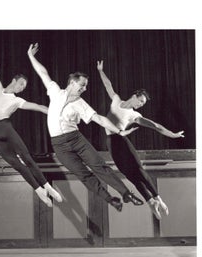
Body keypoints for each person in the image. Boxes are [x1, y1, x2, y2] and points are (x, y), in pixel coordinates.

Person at [27, 43, 145, 212]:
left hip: (76, 139)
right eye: (82, 85)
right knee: (83, 174)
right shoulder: (55, 92)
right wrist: (31, 56)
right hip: (59, 146)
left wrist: (119, 131)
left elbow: (99, 118)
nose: (85, 88)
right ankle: (111, 199)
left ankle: (127, 193)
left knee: (99, 166)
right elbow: (43, 73)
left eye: (85, 86)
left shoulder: (81, 103)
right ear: (72, 83)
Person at [97, 60, 185, 219]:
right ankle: (150, 201)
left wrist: (172, 134)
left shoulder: (134, 115)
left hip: (121, 141)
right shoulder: (116, 100)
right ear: (134, 96)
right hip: (111, 143)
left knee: (139, 170)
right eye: (141, 101)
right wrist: (100, 70)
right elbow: (107, 85)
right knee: (130, 175)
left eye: (143, 103)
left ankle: (159, 198)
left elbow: (155, 126)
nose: (141, 105)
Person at [0, 40, 62, 207]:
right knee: (16, 164)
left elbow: (38, 107)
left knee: (27, 158)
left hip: (5, 126)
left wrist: (56, 113)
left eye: (24, 87)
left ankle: (47, 186)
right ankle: (39, 190)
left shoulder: (17, 100)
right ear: (14, 80)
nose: (21, 88)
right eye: (21, 85)